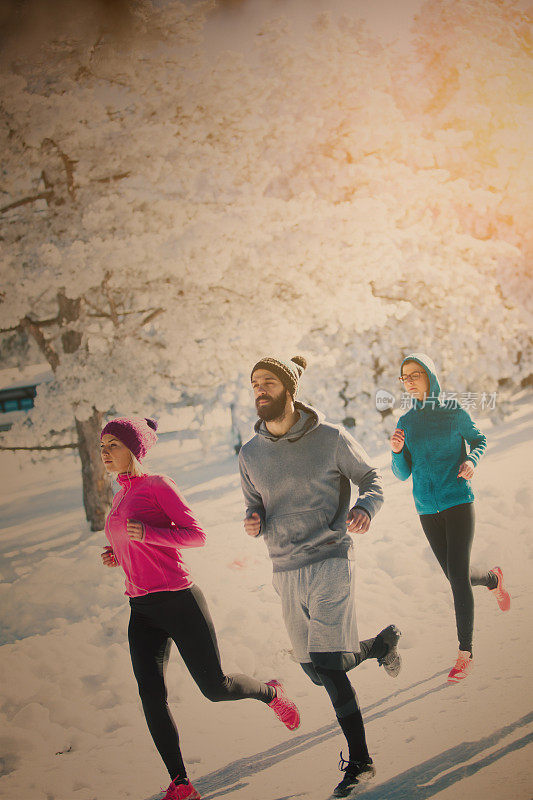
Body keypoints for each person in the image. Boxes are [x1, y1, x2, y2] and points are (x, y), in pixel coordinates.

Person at [100, 416, 300, 800]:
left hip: (179, 600)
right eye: (103, 445)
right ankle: (181, 783)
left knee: (215, 687)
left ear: (133, 450)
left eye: (113, 445)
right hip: (140, 608)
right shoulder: (119, 494)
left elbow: (196, 535)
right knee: (150, 695)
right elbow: (132, 541)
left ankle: (271, 693)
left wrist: (150, 534)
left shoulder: (157, 485)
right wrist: (118, 554)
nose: (105, 453)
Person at [238, 355, 401, 798]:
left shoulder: (331, 438)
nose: (260, 389)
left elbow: (372, 480)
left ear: (290, 389)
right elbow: (253, 503)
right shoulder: (249, 453)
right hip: (285, 569)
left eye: (269, 382)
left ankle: (361, 761)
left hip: (331, 557)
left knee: (328, 664)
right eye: (255, 383)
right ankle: (378, 645)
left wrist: (365, 508)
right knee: (315, 667)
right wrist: (253, 519)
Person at [390, 353, 510, 684]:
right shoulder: (406, 423)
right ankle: (491, 578)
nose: (410, 381)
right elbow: (401, 474)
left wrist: (472, 459)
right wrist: (397, 452)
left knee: (457, 576)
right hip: (427, 509)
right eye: (405, 377)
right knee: (455, 575)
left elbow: (479, 439)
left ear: (430, 375)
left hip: (457, 499)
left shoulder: (453, 411)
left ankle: (465, 653)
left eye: (416, 374)